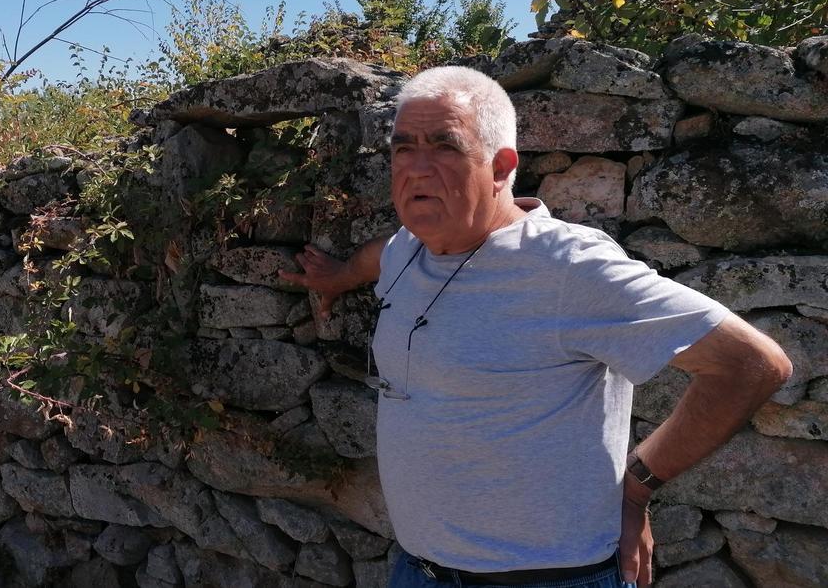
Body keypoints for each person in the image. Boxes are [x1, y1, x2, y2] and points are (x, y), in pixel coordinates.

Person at [278, 66, 792, 588]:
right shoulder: (410, 247)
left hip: (548, 578)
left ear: (501, 167)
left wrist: (636, 488)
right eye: (403, 148)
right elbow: (379, 257)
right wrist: (340, 276)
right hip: (419, 569)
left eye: (445, 146)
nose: (416, 168)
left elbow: (750, 365)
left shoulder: (567, 265)